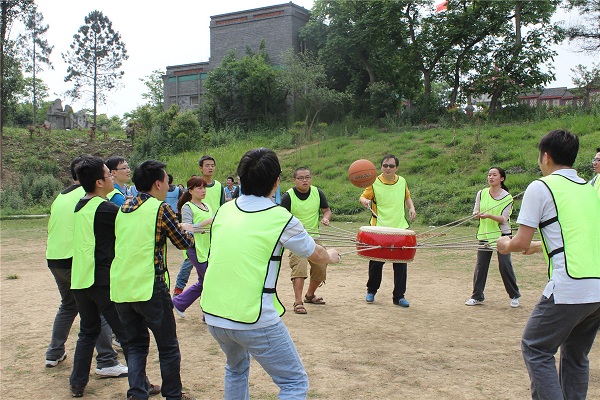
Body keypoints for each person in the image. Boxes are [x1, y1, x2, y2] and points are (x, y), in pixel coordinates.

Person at [200, 148, 341, 399]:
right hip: (253, 318)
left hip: (214, 314)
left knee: (235, 369)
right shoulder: (281, 218)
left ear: (241, 180)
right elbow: (316, 254)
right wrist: (331, 255)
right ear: (277, 182)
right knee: (294, 383)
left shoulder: (224, 210)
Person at [496, 129, 600, 400]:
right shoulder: (589, 190)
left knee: (536, 348)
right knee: (576, 355)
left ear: (546, 156)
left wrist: (505, 244)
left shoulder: (540, 187)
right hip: (596, 290)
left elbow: (517, 242)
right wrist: (538, 245)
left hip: (569, 286)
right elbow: (577, 235)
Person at [110, 160, 196, 400]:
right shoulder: (160, 209)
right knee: (168, 347)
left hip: (121, 286)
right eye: (167, 179)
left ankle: (137, 394)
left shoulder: (124, 207)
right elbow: (183, 242)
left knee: (135, 346)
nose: (168, 184)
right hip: (150, 286)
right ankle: (173, 395)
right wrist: (187, 229)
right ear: (158, 183)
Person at [45, 156, 124, 378]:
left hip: (55, 258)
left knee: (69, 307)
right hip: (79, 262)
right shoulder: (91, 199)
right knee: (98, 312)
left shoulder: (62, 195)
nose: (111, 176)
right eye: (108, 173)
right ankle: (107, 360)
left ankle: (54, 352)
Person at [68, 156, 133, 397]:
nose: (112, 178)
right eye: (108, 175)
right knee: (127, 336)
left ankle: (77, 384)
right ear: (98, 182)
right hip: (101, 281)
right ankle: (141, 384)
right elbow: (131, 224)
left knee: (87, 332)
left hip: (80, 279)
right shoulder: (105, 208)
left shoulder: (81, 204)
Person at [359, 154, 416, 307]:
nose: (388, 168)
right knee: (376, 263)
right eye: (385, 165)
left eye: (391, 166)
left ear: (396, 167)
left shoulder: (402, 181)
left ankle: (399, 296)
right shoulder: (374, 182)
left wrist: (412, 208)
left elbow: (407, 197)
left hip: (400, 229)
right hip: (379, 230)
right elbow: (363, 197)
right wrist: (364, 201)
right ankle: (371, 291)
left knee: (401, 264)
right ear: (381, 167)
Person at [465, 167, 521, 308]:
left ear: (501, 178)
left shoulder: (507, 197)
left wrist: (489, 215)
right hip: (484, 234)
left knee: (505, 265)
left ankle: (514, 295)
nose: (491, 177)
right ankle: (477, 296)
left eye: (494, 175)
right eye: (489, 175)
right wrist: (477, 214)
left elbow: (503, 218)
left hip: (502, 235)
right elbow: (475, 210)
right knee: (481, 266)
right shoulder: (481, 193)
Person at [280, 167, 333, 314]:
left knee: (321, 266)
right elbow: (280, 217)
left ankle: (310, 295)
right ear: (294, 180)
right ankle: (298, 302)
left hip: (315, 237)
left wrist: (325, 218)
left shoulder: (317, 192)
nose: (305, 180)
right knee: (300, 267)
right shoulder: (288, 196)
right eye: (301, 178)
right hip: (296, 239)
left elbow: (327, 210)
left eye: (307, 177)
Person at [173, 156, 224, 296]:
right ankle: (179, 291)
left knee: (205, 278)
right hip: (195, 239)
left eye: (212, 165)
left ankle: (180, 302)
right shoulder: (189, 204)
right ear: (201, 168)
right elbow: (188, 226)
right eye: (207, 165)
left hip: (211, 236)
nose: (210, 168)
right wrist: (206, 222)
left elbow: (223, 207)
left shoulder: (219, 187)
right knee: (190, 265)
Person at [172, 176, 213, 318]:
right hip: (195, 248)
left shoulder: (207, 206)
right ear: (190, 190)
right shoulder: (187, 207)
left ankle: (179, 303)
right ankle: (209, 313)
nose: (203, 191)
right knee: (210, 280)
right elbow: (186, 228)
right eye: (199, 188)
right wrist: (204, 223)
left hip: (208, 248)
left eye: (204, 188)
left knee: (204, 281)